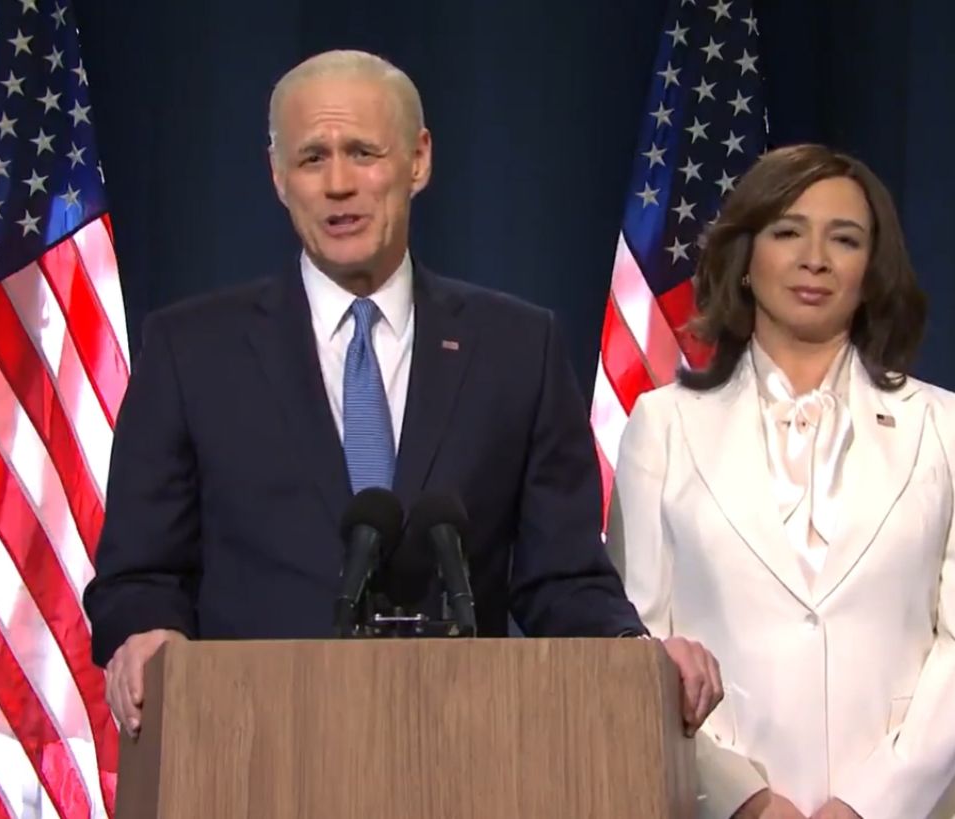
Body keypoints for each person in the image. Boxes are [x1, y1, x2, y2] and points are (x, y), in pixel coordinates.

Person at [82, 49, 723, 742]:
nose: (338, 184)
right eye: (311, 158)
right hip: (252, 746)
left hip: (459, 746)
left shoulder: (517, 348)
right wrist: (148, 634)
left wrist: (634, 655)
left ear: (418, 161)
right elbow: (138, 576)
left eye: (363, 153)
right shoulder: (191, 350)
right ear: (277, 176)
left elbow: (562, 578)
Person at [606, 144, 955, 819]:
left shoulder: (944, 424)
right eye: (788, 232)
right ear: (745, 257)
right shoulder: (663, 425)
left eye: (844, 239)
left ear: (871, 269)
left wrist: (868, 804)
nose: (814, 258)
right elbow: (637, 646)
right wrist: (743, 797)